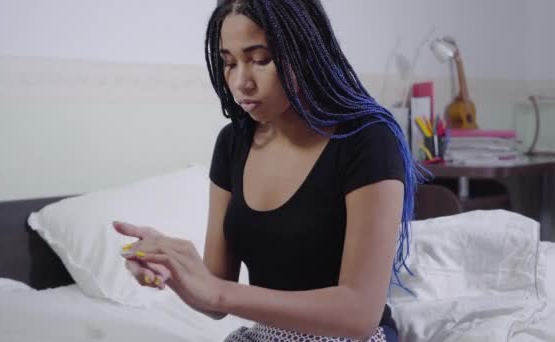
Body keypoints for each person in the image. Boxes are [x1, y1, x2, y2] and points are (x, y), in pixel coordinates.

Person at [113, 0, 421, 341]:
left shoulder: (367, 140)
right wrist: (172, 270)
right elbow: (216, 297)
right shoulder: (233, 143)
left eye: (260, 60)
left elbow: (359, 314)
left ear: (304, 52)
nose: (241, 82)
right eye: (228, 63)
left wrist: (216, 291)